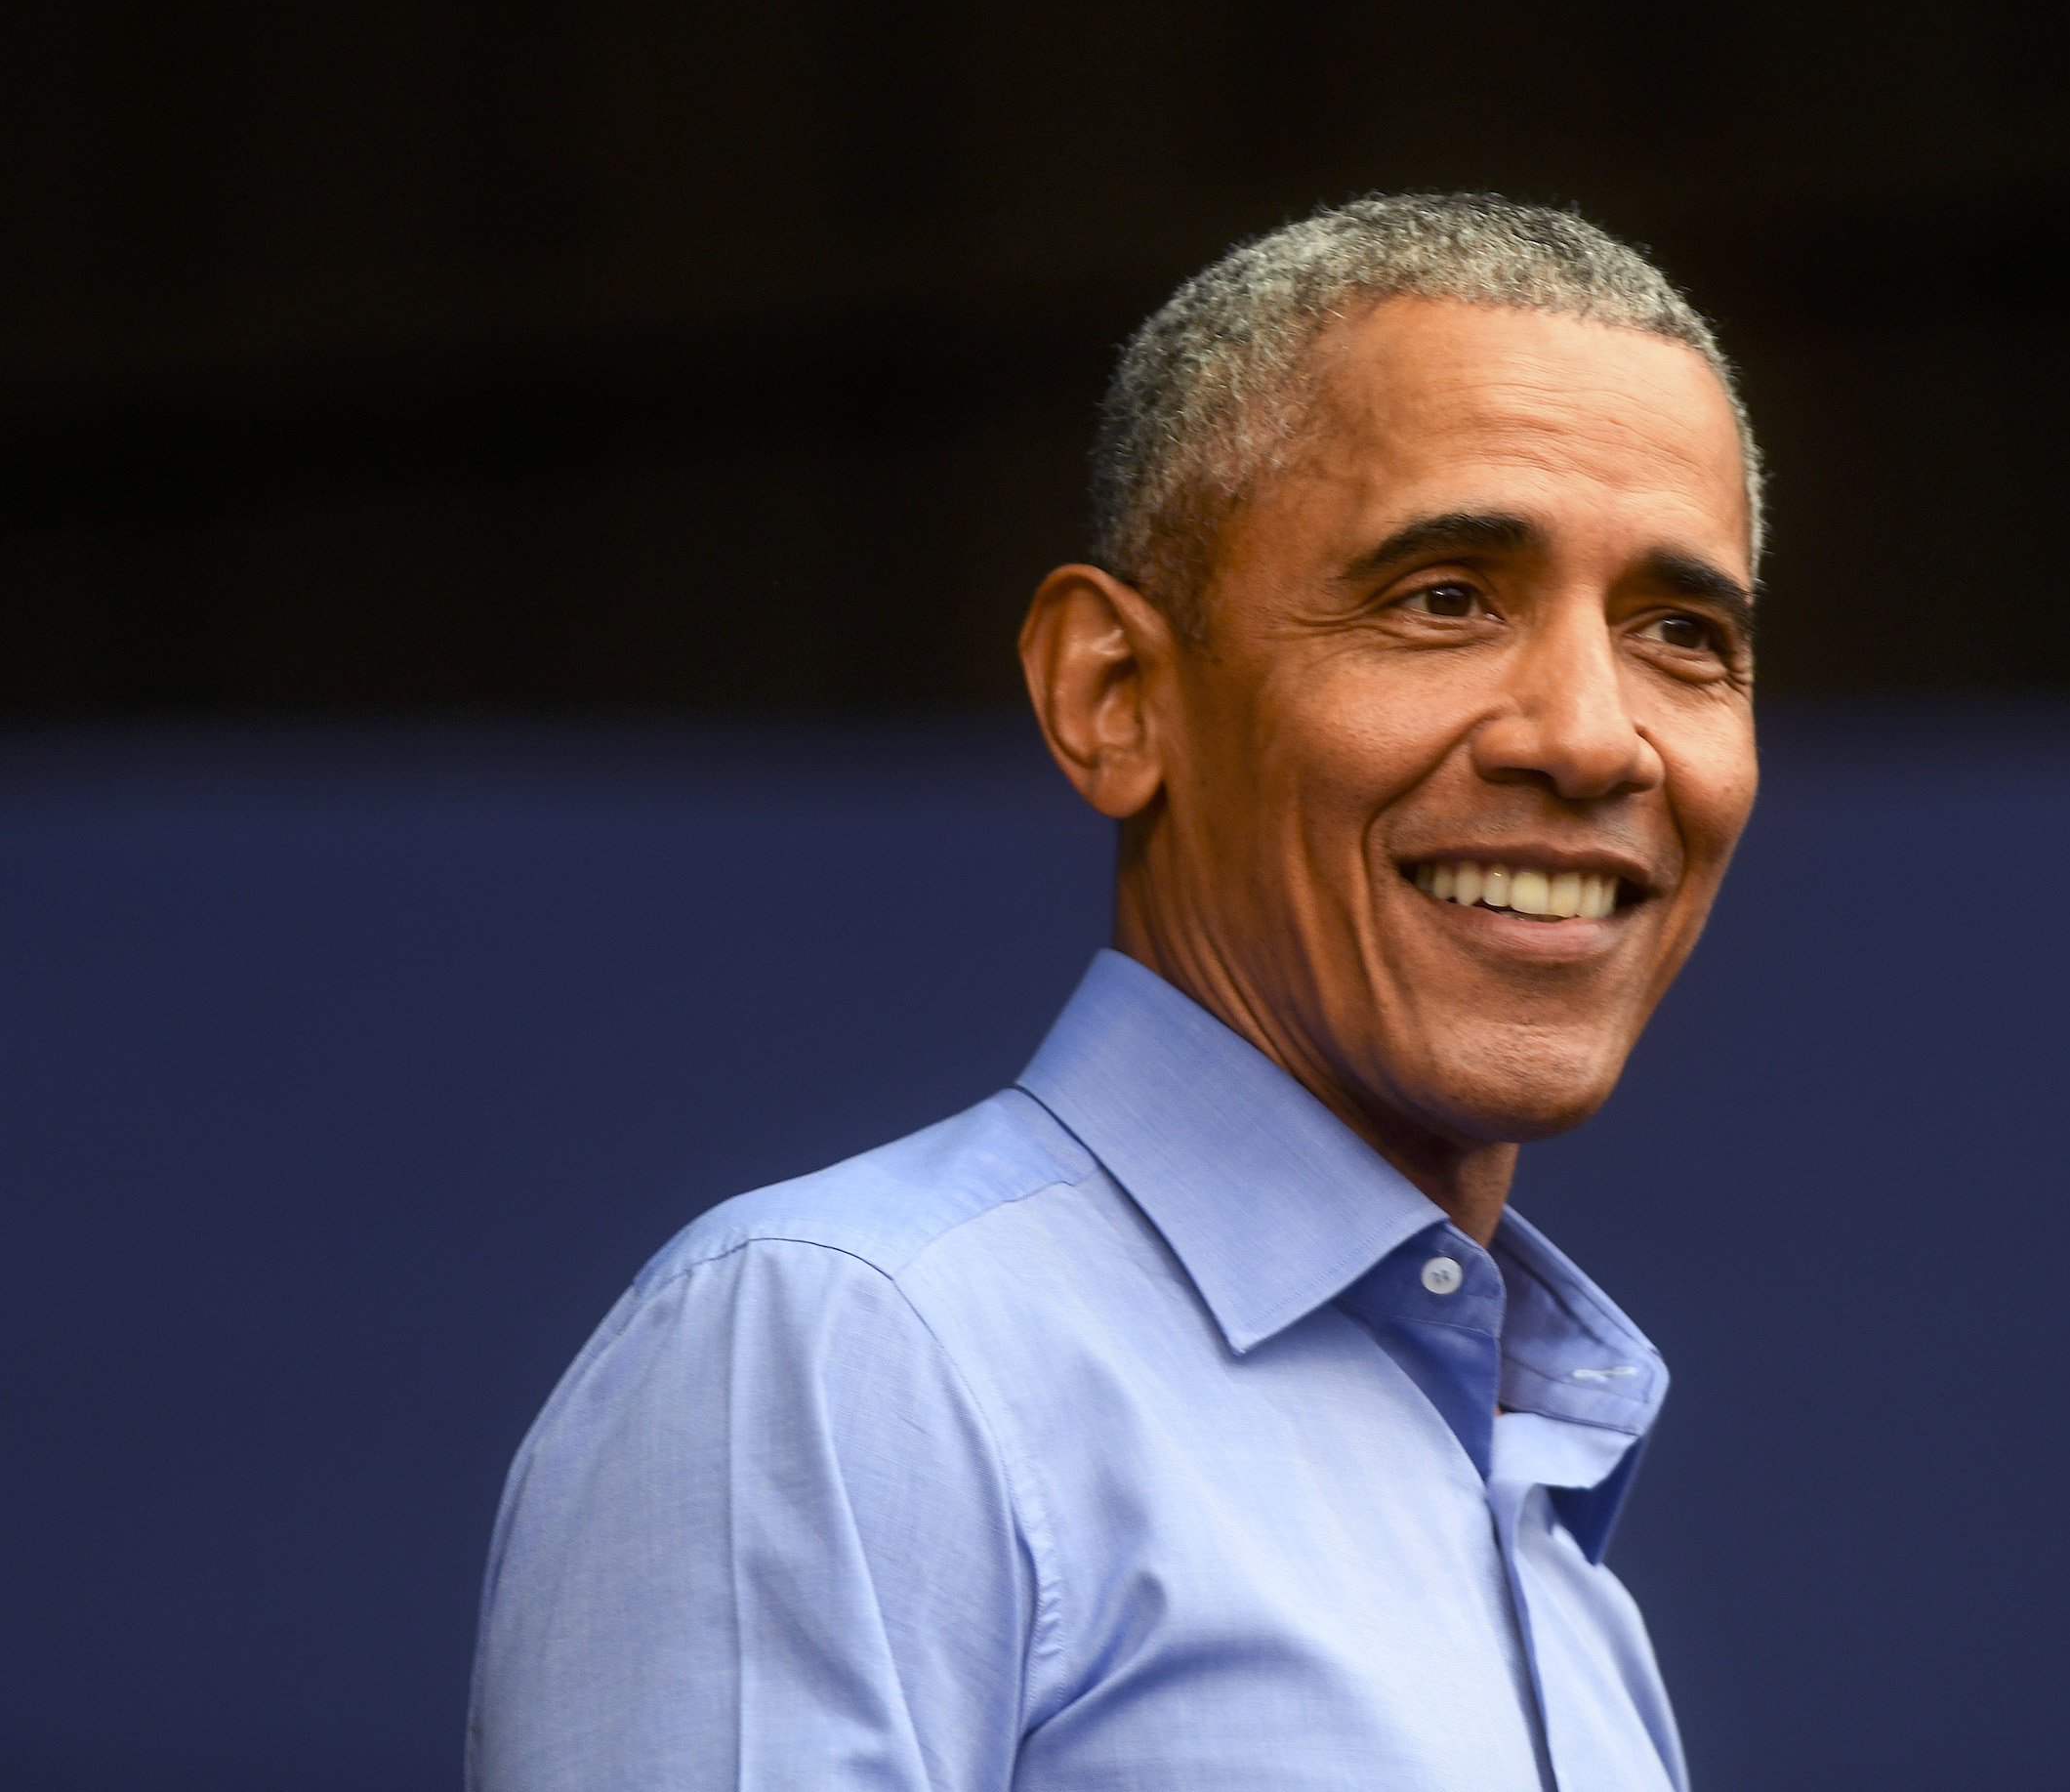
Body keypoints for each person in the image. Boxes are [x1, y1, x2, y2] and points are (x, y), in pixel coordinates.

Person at [469, 194, 1765, 1791]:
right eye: (1445, 596)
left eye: (1683, 633)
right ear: (1115, 695)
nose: (1590, 733)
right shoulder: (851, 1349)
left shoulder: (1548, 1555)